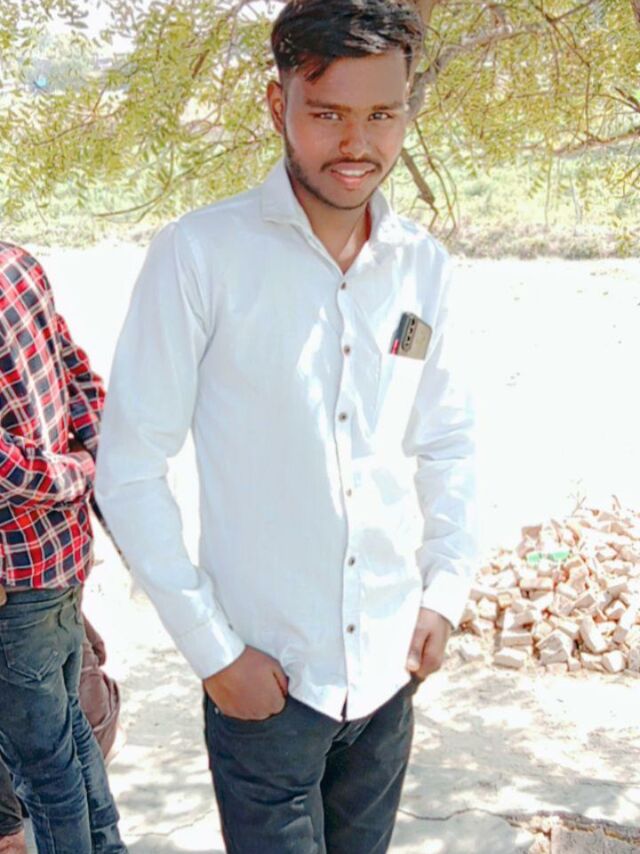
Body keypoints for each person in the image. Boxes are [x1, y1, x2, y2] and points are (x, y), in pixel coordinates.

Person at [95, 0, 477, 850]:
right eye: (328, 114)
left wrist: (444, 592)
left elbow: (447, 439)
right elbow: (128, 470)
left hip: (388, 677)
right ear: (279, 105)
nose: (357, 143)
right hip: (266, 686)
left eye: (382, 114)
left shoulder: (422, 266)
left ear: (408, 109)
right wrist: (214, 653)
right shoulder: (200, 256)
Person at [0, 241, 127, 853]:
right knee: (70, 742)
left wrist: (74, 475)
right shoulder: (16, 264)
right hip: (61, 559)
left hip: (14, 581)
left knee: (44, 771)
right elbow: (83, 384)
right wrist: (96, 470)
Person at [0, 614, 121, 854]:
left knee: (46, 769)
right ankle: (109, 847)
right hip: (55, 610)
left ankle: (8, 836)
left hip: (19, 621)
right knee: (65, 737)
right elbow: (99, 649)